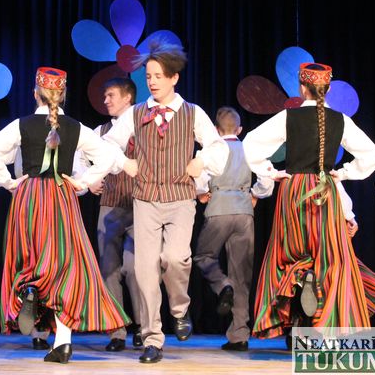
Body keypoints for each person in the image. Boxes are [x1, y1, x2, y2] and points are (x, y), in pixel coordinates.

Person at [0, 67, 131, 364]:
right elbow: (108, 157)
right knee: (65, 267)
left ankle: (31, 290)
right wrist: (83, 182)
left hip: (29, 197)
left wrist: (9, 182)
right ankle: (63, 342)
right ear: (62, 95)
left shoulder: (21, 124)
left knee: (30, 258)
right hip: (62, 196)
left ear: (35, 94)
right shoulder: (76, 127)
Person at [103, 42, 228, 363]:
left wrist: (201, 162)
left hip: (180, 198)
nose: (153, 82)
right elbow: (106, 144)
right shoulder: (136, 113)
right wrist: (124, 163)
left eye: (159, 76)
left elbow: (217, 146)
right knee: (144, 269)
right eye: (148, 76)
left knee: (175, 258)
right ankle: (152, 338)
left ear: (174, 78)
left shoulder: (192, 113)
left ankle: (180, 309)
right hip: (145, 199)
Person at [243, 62, 375, 338]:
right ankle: (325, 325)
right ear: (327, 89)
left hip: (293, 189)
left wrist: (270, 171)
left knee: (288, 254)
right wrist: (343, 173)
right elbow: (371, 154)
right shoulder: (341, 120)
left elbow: (251, 143)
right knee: (330, 257)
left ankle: (297, 306)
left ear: (302, 88)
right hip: (325, 190)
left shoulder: (288, 117)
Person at [193, 106, 274, 351]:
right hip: (244, 212)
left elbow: (199, 179)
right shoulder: (250, 149)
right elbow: (267, 180)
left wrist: (202, 193)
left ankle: (222, 285)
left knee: (204, 257)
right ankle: (239, 335)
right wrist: (255, 194)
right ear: (239, 129)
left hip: (218, 208)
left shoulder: (211, 150)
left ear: (217, 130)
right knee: (242, 275)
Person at [89, 77, 142, 351]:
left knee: (135, 269)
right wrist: (90, 180)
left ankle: (144, 327)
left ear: (127, 97)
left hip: (140, 206)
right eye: (105, 95)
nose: (106, 100)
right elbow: (80, 161)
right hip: (110, 205)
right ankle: (117, 331)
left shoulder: (144, 127)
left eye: (111, 95)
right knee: (109, 269)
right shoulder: (100, 132)